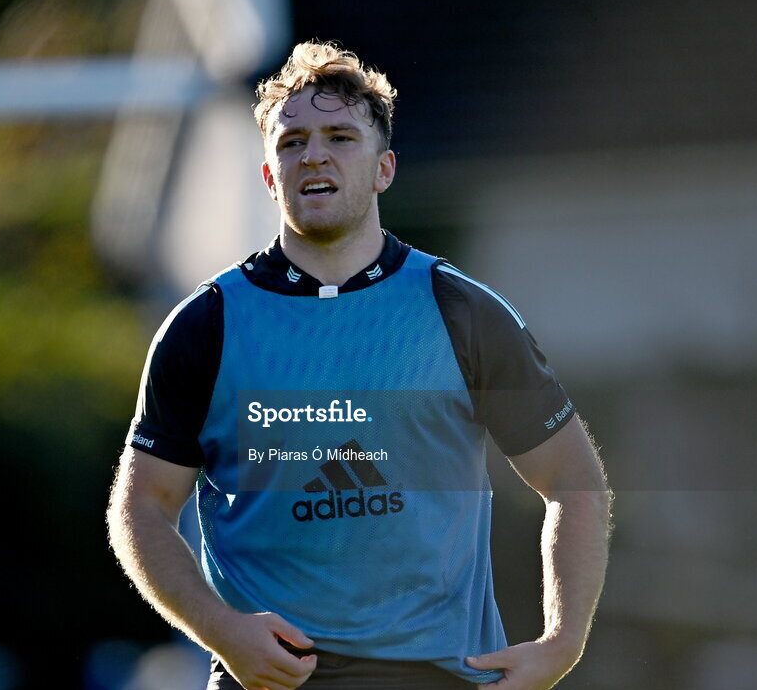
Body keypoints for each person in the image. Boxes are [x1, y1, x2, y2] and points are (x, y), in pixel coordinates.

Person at [108, 41, 611, 690]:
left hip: (440, 679)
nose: (313, 154)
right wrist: (221, 629)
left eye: (341, 137)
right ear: (267, 175)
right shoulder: (205, 327)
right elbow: (141, 505)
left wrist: (561, 644)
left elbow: (574, 480)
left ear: (384, 169)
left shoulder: (461, 311)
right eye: (292, 143)